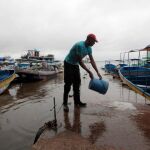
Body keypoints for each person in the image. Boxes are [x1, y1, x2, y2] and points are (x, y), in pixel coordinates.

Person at [63, 33, 102, 112]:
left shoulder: (89, 48)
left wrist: (97, 72)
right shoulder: (79, 45)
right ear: (89, 39)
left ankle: (77, 102)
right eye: (94, 41)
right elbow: (80, 62)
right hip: (68, 63)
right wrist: (89, 72)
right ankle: (65, 103)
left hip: (75, 64)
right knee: (68, 84)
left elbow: (92, 60)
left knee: (77, 83)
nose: (94, 43)